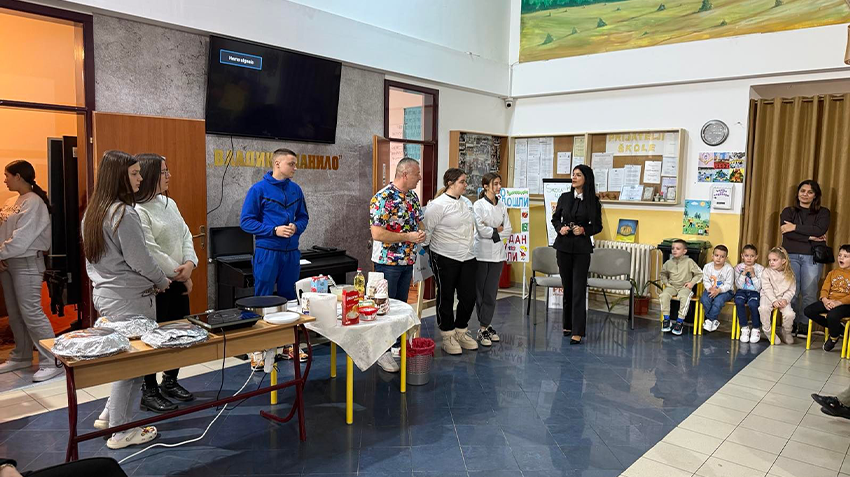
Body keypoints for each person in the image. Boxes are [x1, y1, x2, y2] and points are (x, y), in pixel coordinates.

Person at [84, 150, 169, 449]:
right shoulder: (123, 213)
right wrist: (162, 280)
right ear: (118, 177)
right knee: (131, 366)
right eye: (134, 173)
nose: (140, 178)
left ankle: (110, 415)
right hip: (130, 299)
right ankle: (120, 432)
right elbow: (140, 260)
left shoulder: (93, 212)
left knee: (127, 361)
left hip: (107, 295)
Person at [134, 154, 198, 412]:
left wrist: (190, 263)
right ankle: (148, 390)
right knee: (153, 338)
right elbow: (150, 250)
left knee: (179, 334)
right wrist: (181, 274)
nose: (169, 175)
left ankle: (170, 381)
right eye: (163, 171)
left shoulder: (169, 203)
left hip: (178, 279)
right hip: (155, 285)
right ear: (150, 175)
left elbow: (186, 234)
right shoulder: (138, 210)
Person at [240, 148, 309, 361]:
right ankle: (258, 349)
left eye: (295, 164)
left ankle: (288, 345)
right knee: (262, 299)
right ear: (277, 164)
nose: (295, 168)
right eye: (291, 164)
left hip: (291, 253)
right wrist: (273, 230)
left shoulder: (296, 190)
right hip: (267, 252)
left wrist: (296, 227)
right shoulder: (258, 190)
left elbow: (304, 217)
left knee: (290, 300)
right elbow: (246, 222)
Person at [0, 160, 61, 382]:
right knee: (15, 313)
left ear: (18, 176)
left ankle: (52, 361)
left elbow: (23, 238)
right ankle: (22, 355)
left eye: (7, 176)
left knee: (32, 312)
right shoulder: (10, 201)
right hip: (7, 262)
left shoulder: (34, 202)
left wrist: (1, 253)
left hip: (26, 262)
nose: (4, 180)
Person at [369, 157, 425, 371]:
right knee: (384, 307)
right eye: (417, 174)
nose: (420, 177)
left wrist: (421, 233)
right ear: (404, 174)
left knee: (400, 306)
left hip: (408, 260)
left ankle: (395, 346)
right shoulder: (383, 198)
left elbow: (419, 221)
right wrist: (408, 236)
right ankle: (381, 352)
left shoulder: (412, 196)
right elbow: (377, 233)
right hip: (388, 263)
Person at [423, 168, 478, 355]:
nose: (465, 185)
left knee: (469, 296)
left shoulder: (466, 203)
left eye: (465, 181)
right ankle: (447, 334)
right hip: (444, 255)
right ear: (450, 183)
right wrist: (427, 251)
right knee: (446, 295)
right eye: (462, 181)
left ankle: (461, 330)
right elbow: (426, 231)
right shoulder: (437, 205)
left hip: (468, 256)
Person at [551, 165, 603, 345]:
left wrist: (584, 230)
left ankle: (578, 331)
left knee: (578, 289)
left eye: (578, 175)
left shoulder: (593, 201)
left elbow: (597, 226)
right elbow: (555, 218)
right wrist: (560, 228)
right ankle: (567, 324)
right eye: (573, 174)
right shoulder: (564, 197)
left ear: (586, 178)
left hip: (581, 249)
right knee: (567, 287)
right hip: (563, 247)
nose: (573, 177)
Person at [780, 180, 830, 336]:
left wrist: (795, 227)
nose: (805, 194)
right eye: (802, 191)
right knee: (792, 292)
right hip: (790, 255)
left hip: (812, 257)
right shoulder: (788, 211)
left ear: (815, 195)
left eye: (810, 192)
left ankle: (804, 324)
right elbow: (787, 234)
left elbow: (819, 230)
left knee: (809, 292)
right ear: (798, 193)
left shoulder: (823, 212)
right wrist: (810, 237)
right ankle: (792, 323)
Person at [472, 172, 511, 347]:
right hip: (481, 253)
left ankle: (486, 325)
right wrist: (497, 230)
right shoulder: (478, 205)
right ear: (486, 186)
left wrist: (493, 231)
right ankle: (483, 327)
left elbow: (508, 229)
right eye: (495, 184)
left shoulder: (501, 205)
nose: (498, 187)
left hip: (497, 254)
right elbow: (481, 230)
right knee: (481, 291)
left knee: (491, 292)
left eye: (499, 183)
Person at [804, 244, 850, 352]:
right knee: (809, 310)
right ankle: (839, 328)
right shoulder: (832, 273)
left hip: (845, 305)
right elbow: (825, 289)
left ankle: (833, 338)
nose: (841, 258)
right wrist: (825, 300)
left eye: (846, 256)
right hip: (829, 301)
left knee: (832, 316)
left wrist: (838, 302)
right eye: (840, 255)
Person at [659, 239, 702, 336]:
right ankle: (666, 320)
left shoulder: (689, 262)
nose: (674, 250)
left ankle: (679, 322)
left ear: (684, 251)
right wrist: (667, 283)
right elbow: (663, 274)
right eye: (673, 248)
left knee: (684, 297)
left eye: (678, 249)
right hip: (672, 286)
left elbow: (699, 274)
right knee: (664, 295)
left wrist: (692, 283)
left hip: (685, 288)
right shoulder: (668, 263)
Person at [758, 247, 796, 345]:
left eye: (774, 260)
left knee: (790, 314)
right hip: (768, 296)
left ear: (783, 261)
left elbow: (791, 290)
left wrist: (785, 299)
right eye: (770, 260)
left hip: (782, 298)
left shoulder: (790, 275)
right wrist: (774, 300)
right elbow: (767, 288)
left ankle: (786, 331)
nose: (771, 262)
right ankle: (768, 331)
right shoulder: (766, 272)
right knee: (763, 308)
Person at [733, 244, 767, 343]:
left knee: (753, 304)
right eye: (746, 255)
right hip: (741, 290)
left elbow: (759, 287)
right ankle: (744, 328)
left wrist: (753, 275)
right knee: (738, 301)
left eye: (752, 256)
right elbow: (738, 285)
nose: (749, 258)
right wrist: (743, 274)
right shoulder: (738, 268)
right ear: (742, 256)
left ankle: (756, 328)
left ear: (756, 257)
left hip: (754, 292)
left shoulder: (760, 269)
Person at [700, 245, 734, 333]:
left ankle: (709, 320)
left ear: (726, 258)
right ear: (712, 256)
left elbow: (728, 284)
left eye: (722, 257)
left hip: (725, 291)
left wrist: (718, 290)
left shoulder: (729, 269)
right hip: (710, 289)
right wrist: (710, 288)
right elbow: (705, 280)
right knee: (705, 299)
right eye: (716, 255)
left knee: (718, 301)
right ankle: (713, 320)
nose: (718, 258)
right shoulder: (707, 267)